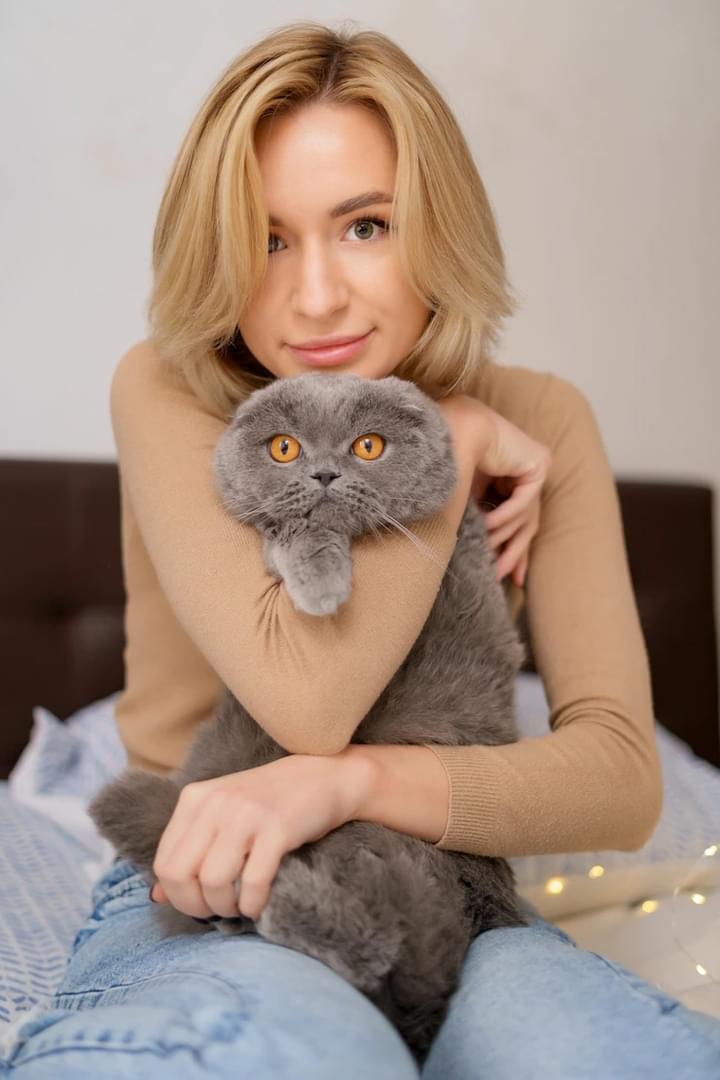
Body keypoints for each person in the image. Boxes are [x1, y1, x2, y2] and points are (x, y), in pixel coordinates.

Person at [3, 19, 719, 1080]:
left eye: (367, 226)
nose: (316, 297)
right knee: (278, 1047)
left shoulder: (546, 415)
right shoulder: (170, 387)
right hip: (210, 878)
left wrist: (347, 787)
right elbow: (306, 704)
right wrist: (452, 440)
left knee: (589, 1047)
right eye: (266, 239)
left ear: (438, 225)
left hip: (457, 888)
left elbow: (621, 777)